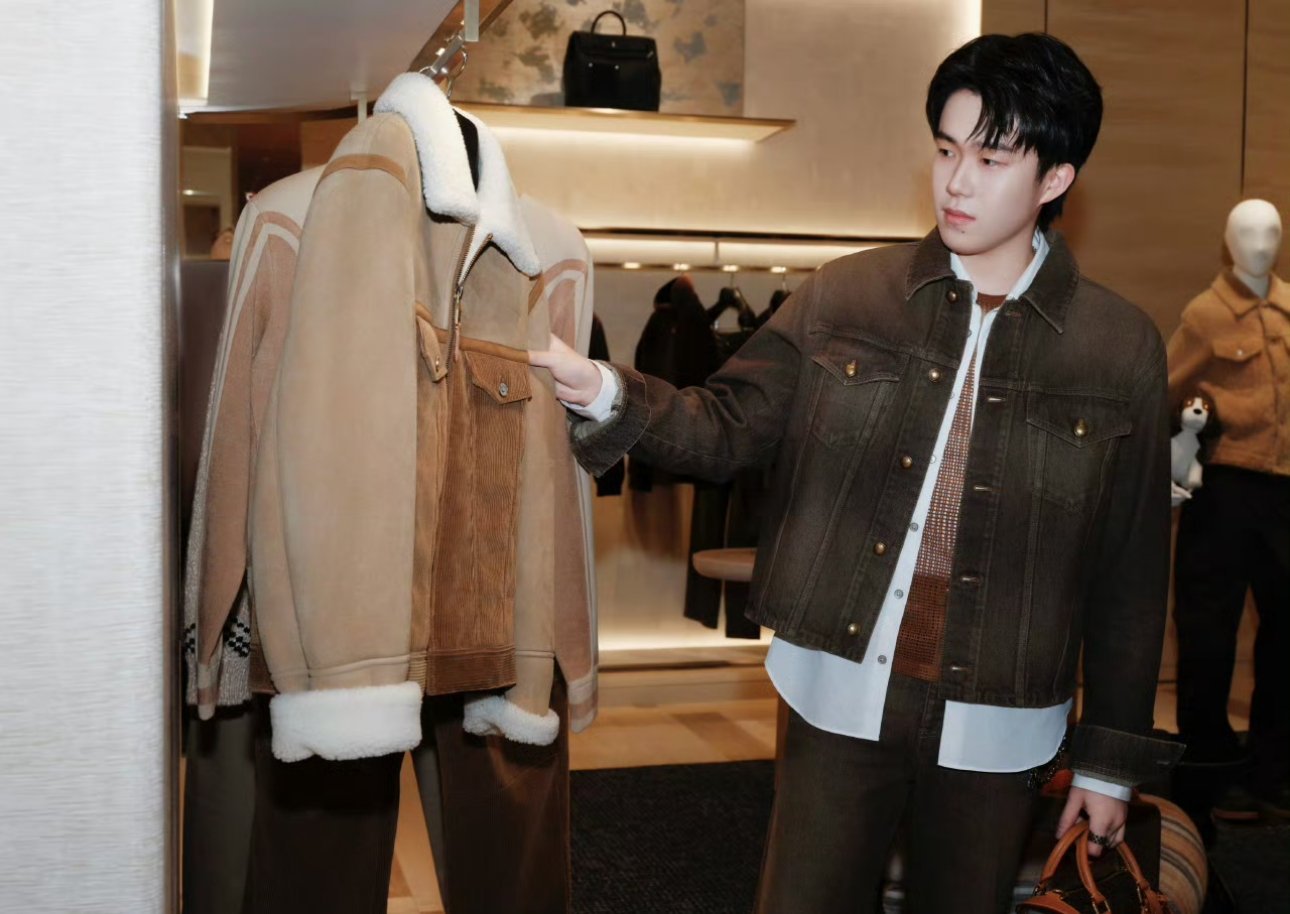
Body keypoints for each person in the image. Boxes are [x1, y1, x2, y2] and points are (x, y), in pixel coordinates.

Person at [532, 33, 1182, 914]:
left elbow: (1130, 572)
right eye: (946, 151)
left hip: (1001, 716)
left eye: (991, 160)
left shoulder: (1118, 348)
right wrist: (608, 391)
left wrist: (1109, 761)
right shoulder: (848, 295)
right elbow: (727, 426)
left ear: (1055, 177)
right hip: (837, 685)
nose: (956, 182)